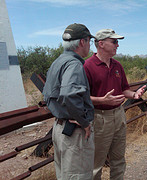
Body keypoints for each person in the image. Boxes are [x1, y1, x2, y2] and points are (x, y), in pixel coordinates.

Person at [84, 29, 146, 180]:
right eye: (114, 42)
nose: (118, 45)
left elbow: (124, 89)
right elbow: (81, 98)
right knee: (96, 164)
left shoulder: (117, 65)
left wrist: (134, 95)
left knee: (118, 159)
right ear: (101, 43)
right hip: (99, 118)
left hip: (119, 114)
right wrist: (101, 100)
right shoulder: (87, 66)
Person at [43, 23, 95, 180]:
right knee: (79, 176)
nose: (89, 45)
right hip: (74, 133)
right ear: (81, 42)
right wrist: (84, 122)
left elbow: (48, 94)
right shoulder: (74, 64)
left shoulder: (58, 62)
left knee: (65, 175)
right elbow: (69, 94)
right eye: (89, 41)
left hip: (60, 129)